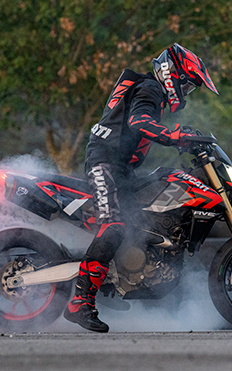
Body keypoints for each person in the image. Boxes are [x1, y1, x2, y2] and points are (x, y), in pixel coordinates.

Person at [63, 44, 218, 332]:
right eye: (186, 84)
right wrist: (174, 136)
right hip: (104, 163)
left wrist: (186, 138)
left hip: (121, 169)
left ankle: (124, 274)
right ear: (172, 74)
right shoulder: (150, 88)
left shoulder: (150, 90)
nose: (186, 92)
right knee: (114, 226)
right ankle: (80, 302)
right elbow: (139, 121)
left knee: (147, 214)